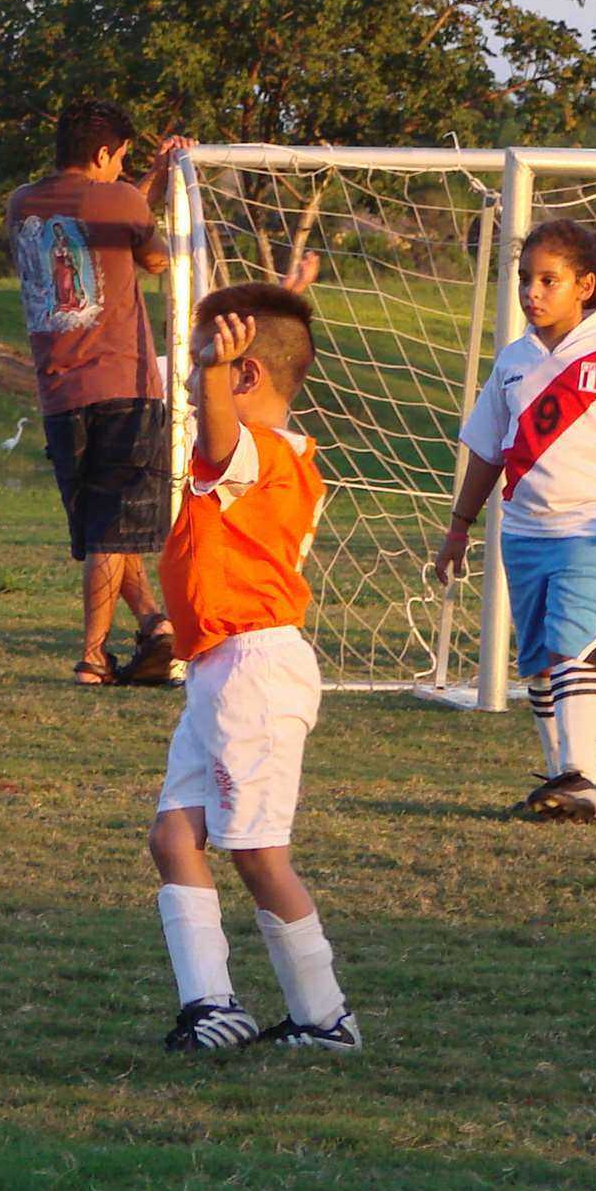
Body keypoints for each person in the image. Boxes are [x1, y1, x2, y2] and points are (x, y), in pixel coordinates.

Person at [147, 284, 359, 1051]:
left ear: (244, 375)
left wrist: (210, 375)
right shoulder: (266, 454)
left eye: (208, 359)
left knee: (259, 853)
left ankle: (325, 1017)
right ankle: (212, 1006)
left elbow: (217, 437)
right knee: (175, 836)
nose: (192, 372)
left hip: (255, 672)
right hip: (219, 669)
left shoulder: (257, 453)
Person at [434, 219, 596, 822]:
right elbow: (488, 451)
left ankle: (583, 781)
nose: (532, 293)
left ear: (587, 286)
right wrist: (459, 526)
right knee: (542, 660)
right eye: (525, 280)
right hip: (523, 534)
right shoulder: (513, 362)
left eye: (549, 280)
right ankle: (559, 780)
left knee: (575, 648)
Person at [4, 100, 186, 686]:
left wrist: (147, 180)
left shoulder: (21, 203)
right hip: (123, 384)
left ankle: (155, 624)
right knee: (113, 529)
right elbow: (154, 257)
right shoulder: (122, 201)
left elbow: (108, 214)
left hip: (58, 392)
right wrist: (155, 184)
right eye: (120, 159)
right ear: (105, 153)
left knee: (103, 529)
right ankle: (92, 656)